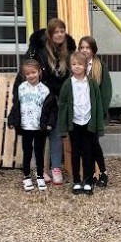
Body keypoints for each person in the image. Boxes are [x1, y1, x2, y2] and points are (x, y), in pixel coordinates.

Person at [24, 18, 76, 185]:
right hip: (42, 97)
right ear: (50, 34)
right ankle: (40, 169)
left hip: (61, 98)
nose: (60, 35)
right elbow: (29, 70)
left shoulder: (69, 50)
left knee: (56, 134)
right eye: (56, 32)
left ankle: (56, 168)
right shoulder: (38, 49)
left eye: (62, 31)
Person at [58, 51, 104, 195]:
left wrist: (97, 125)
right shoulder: (67, 84)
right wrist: (63, 127)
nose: (77, 67)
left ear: (85, 66)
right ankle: (77, 181)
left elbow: (97, 105)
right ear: (70, 66)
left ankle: (88, 181)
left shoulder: (91, 83)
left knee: (88, 153)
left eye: (80, 64)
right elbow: (63, 105)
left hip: (88, 122)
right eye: (74, 64)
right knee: (75, 152)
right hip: (75, 123)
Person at [7, 59, 57, 192]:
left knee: (39, 152)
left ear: (39, 72)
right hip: (26, 127)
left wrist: (50, 124)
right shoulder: (22, 88)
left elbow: (52, 109)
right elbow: (16, 106)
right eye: (28, 73)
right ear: (24, 75)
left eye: (33, 72)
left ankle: (40, 175)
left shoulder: (45, 90)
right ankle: (26, 176)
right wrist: (12, 120)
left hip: (39, 127)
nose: (31, 76)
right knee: (27, 153)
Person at [78, 36, 112, 188]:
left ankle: (103, 173)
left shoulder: (100, 66)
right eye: (82, 47)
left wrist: (102, 112)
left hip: (95, 114)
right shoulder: (77, 65)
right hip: (81, 114)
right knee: (85, 145)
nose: (85, 50)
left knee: (94, 143)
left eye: (87, 47)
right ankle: (91, 174)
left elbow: (106, 91)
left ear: (93, 50)